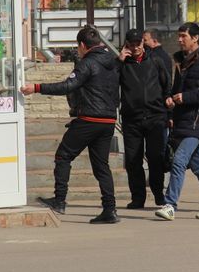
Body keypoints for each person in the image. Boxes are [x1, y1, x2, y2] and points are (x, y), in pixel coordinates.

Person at [21, 26, 121, 224]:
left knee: (63, 156)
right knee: (102, 166)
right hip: (108, 120)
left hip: (89, 119)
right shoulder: (112, 62)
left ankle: (59, 200)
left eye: (78, 47)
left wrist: (37, 87)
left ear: (83, 45)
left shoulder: (88, 63)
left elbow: (68, 85)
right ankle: (110, 209)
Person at [154, 23, 199, 221]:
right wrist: (171, 99)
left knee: (179, 161)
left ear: (195, 38)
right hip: (181, 121)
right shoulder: (181, 62)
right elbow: (175, 88)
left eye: (183, 36)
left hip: (197, 122)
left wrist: (185, 97)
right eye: (179, 36)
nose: (179, 40)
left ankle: (170, 205)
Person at [118, 28, 170, 209]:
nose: (135, 48)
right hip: (132, 119)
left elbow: (166, 86)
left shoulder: (156, 61)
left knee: (156, 157)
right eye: (131, 45)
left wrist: (167, 114)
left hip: (156, 117)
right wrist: (119, 61)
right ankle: (138, 197)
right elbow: (109, 82)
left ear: (143, 43)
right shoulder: (123, 64)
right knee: (133, 159)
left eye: (138, 44)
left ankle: (158, 194)